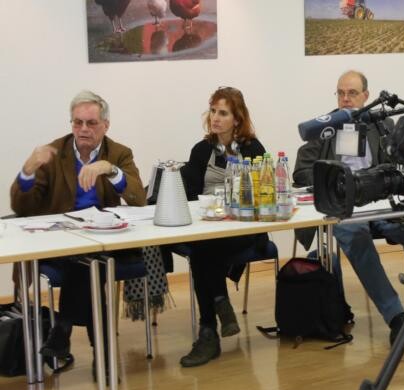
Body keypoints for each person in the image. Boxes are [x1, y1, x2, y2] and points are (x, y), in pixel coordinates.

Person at [10, 90, 146, 373]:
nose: (83, 129)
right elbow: (22, 207)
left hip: (105, 241)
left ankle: (63, 328)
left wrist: (111, 170)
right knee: (90, 267)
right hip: (61, 243)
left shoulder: (118, 153)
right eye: (77, 122)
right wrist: (27, 171)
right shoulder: (54, 153)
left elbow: (138, 199)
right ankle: (103, 355)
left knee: (89, 263)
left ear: (105, 125)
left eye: (91, 123)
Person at [293, 70, 404, 345]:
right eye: (341, 93)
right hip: (342, 207)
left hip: (380, 202)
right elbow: (301, 172)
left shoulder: (382, 124)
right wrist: (333, 182)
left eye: (352, 93)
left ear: (366, 96)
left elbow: (398, 163)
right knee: (356, 237)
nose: (345, 99)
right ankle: (396, 316)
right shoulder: (323, 127)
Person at [178, 86, 268, 367]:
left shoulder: (253, 149)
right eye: (213, 111)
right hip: (209, 225)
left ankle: (209, 330)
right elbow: (190, 195)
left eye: (223, 113)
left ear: (237, 119)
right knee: (205, 246)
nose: (215, 118)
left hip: (243, 227)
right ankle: (219, 306)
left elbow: (263, 194)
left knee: (202, 252)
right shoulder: (201, 150)